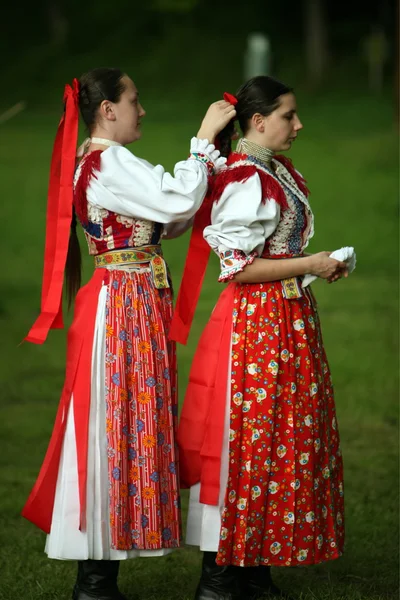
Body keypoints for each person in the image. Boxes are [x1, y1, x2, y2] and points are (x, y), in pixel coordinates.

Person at [22, 67, 234, 600]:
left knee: (120, 421)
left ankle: (98, 577)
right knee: (110, 422)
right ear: (108, 110)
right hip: (122, 302)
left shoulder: (104, 163)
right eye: (135, 100)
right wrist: (203, 143)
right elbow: (175, 203)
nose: (143, 110)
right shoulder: (107, 161)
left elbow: (169, 216)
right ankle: (93, 579)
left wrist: (201, 174)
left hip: (133, 299)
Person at [170, 76, 351, 600]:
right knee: (246, 440)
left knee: (276, 440)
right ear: (257, 121)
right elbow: (238, 267)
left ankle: (253, 568)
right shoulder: (248, 177)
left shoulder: (272, 171)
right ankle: (221, 578)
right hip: (257, 325)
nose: (298, 125)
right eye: (289, 115)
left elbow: (266, 257)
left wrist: (314, 269)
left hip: (284, 318)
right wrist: (312, 262)